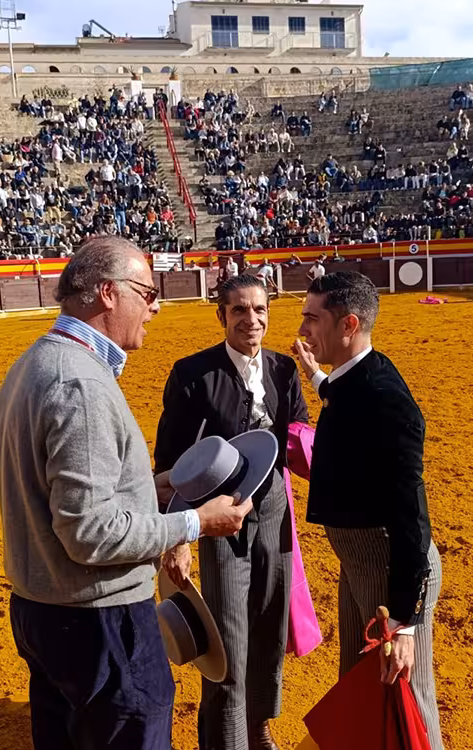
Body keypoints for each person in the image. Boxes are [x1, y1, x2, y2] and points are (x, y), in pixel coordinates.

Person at [0, 237, 253, 750]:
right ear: (108, 294)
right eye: (147, 291)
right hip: (98, 619)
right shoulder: (81, 384)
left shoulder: (34, 363)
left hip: (44, 608)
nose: (155, 305)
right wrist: (197, 522)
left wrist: (145, 488)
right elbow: (90, 533)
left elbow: (59, 492)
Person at [290, 272, 444, 750]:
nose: (304, 330)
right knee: (361, 689)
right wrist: (314, 373)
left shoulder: (386, 401)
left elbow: (411, 518)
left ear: (348, 324)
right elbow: (341, 396)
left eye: (313, 319)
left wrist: (405, 620)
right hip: (360, 564)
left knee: (406, 702)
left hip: (387, 566)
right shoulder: (359, 376)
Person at [155, 274, 310, 750]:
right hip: (217, 522)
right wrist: (177, 538)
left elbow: (300, 433)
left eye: (260, 309)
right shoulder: (191, 374)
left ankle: (259, 724)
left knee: (269, 621)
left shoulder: (284, 370)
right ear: (221, 315)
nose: (252, 319)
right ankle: (225, 741)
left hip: (273, 513)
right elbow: (170, 467)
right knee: (226, 634)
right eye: (239, 310)